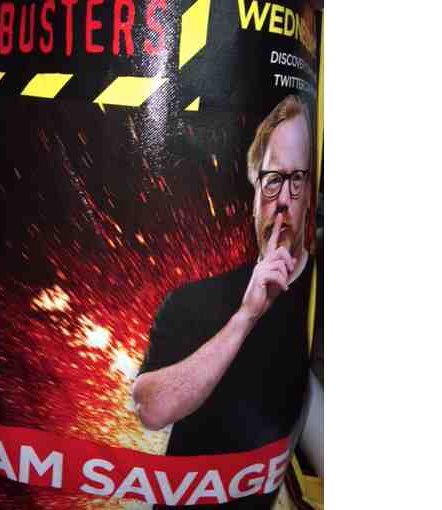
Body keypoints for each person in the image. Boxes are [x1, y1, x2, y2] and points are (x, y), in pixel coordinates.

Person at [132, 95, 322, 507]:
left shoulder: (321, 299)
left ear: (312, 193)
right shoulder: (193, 300)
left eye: (298, 179)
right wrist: (246, 317)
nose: (284, 199)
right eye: (273, 179)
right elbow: (150, 408)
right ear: (255, 192)